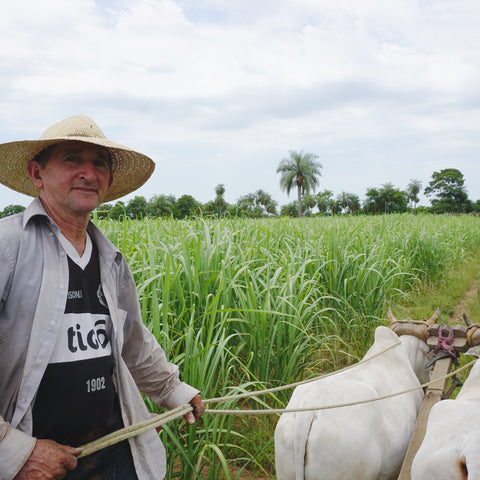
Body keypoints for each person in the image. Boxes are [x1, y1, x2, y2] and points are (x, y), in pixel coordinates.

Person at [0, 115, 205, 480]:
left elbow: (133, 343)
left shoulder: (109, 259)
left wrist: (171, 389)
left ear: (109, 181)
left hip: (113, 459)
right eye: (72, 159)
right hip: (34, 467)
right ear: (37, 173)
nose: (89, 173)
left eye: (99, 164)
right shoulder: (7, 248)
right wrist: (13, 450)